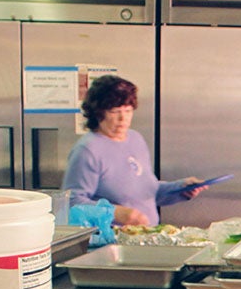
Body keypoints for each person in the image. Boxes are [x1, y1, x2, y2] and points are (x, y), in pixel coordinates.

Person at [63, 75, 208, 226]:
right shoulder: (88, 150)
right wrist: (115, 213)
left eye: (128, 110)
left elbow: (148, 193)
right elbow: (72, 203)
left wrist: (180, 189)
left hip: (144, 238)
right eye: (114, 111)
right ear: (98, 112)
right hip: (111, 241)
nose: (122, 118)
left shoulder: (135, 139)